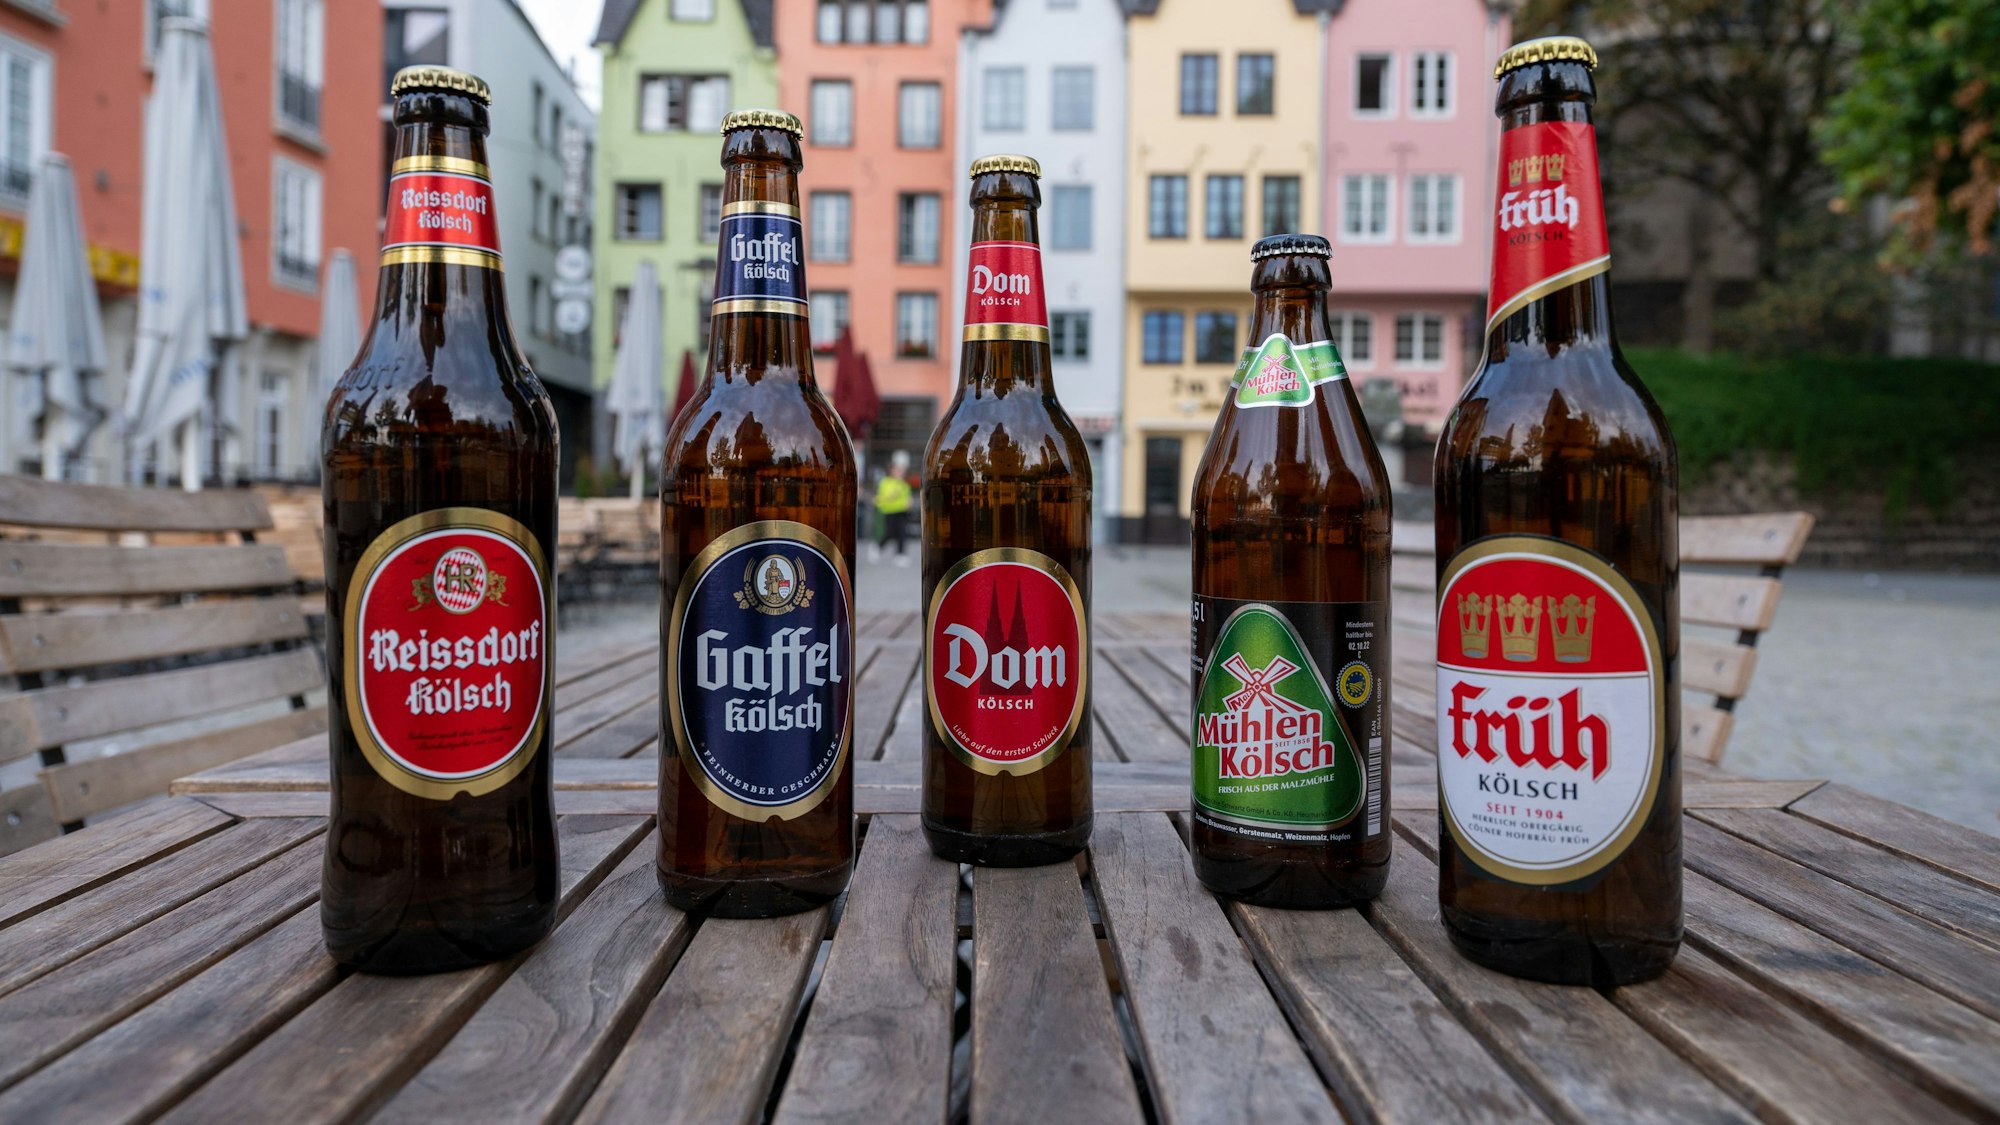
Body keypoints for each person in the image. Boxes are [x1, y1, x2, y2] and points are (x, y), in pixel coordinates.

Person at [876, 451, 914, 566]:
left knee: (902, 533)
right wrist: (895, 491)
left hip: (902, 512)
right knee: (890, 533)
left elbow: (907, 496)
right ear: (892, 470)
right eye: (897, 470)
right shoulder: (885, 482)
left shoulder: (904, 484)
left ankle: (900, 555)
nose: (900, 472)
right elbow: (884, 497)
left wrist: (909, 503)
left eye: (901, 470)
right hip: (890, 512)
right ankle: (878, 547)